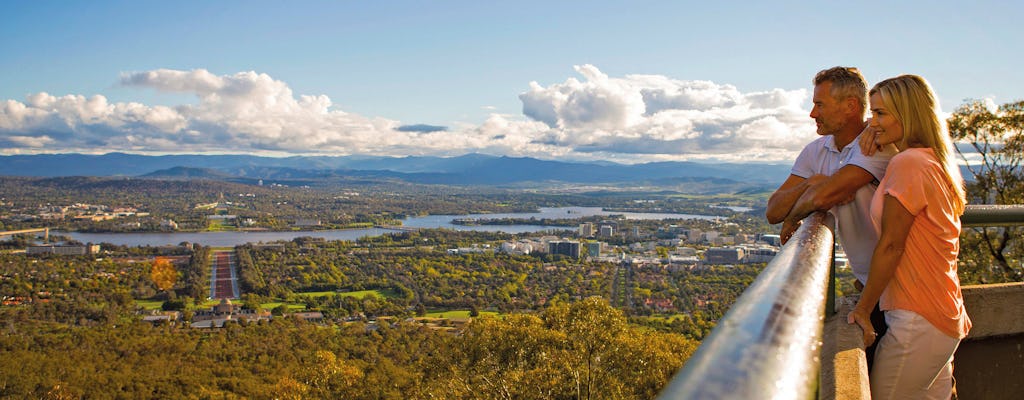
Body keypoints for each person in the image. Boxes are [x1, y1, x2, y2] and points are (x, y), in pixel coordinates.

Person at [847, 74, 971, 399]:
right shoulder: (933, 160)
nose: (872, 122)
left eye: (881, 114)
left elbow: (891, 245)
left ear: (909, 113)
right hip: (940, 314)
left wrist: (863, 308)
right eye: (872, 113)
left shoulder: (909, 164)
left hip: (916, 319)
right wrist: (876, 137)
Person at [766, 67, 893, 364]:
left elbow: (825, 197)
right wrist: (811, 183)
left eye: (820, 104)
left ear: (850, 106)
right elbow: (773, 210)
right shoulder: (816, 151)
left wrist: (795, 214)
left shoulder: (873, 145)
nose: (812, 113)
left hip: (900, 285)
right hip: (871, 286)